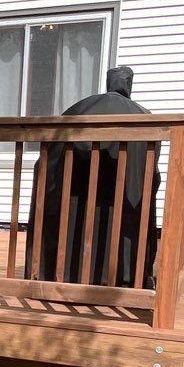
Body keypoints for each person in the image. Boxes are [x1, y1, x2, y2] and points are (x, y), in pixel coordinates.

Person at [29, 65, 156, 288]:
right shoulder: (143, 117)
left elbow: (50, 161)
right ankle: (123, 280)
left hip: (74, 198)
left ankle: (58, 273)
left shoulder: (78, 110)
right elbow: (149, 171)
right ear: (129, 85)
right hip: (121, 201)